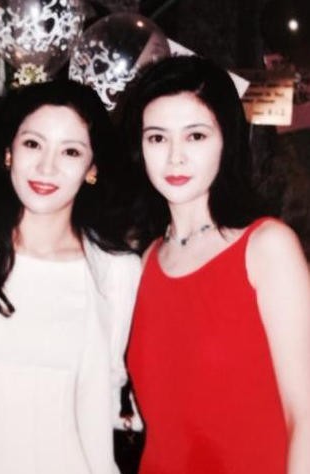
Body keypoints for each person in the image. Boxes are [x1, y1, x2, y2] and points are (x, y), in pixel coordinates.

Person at [0, 79, 141, 474]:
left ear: (92, 168)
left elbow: (113, 398)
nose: (47, 166)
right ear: (9, 152)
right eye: (33, 144)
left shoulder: (116, 272)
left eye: (71, 151)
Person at [124, 55, 310, 474]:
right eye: (157, 138)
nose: (175, 157)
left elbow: (306, 415)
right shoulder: (146, 260)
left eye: (195, 136)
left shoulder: (267, 248)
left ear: (227, 141)